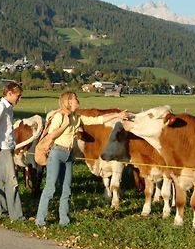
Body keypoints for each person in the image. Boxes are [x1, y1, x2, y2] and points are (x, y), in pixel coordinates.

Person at [35, 92, 129, 227]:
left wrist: (117, 115)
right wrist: (64, 125)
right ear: (68, 102)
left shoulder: (77, 117)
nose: (78, 101)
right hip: (56, 153)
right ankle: (40, 220)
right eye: (75, 99)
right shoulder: (59, 116)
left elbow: (98, 120)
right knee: (51, 188)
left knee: (66, 189)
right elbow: (51, 135)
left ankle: (64, 220)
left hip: (69, 154)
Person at [0, 81, 24, 221]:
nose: (19, 99)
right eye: (18, 96)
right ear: (9, 93)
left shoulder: (9, 108)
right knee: (12, 181)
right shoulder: (0, 107)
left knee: (0, 181)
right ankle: (16, 215)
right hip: (4, 148)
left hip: (8, 147)